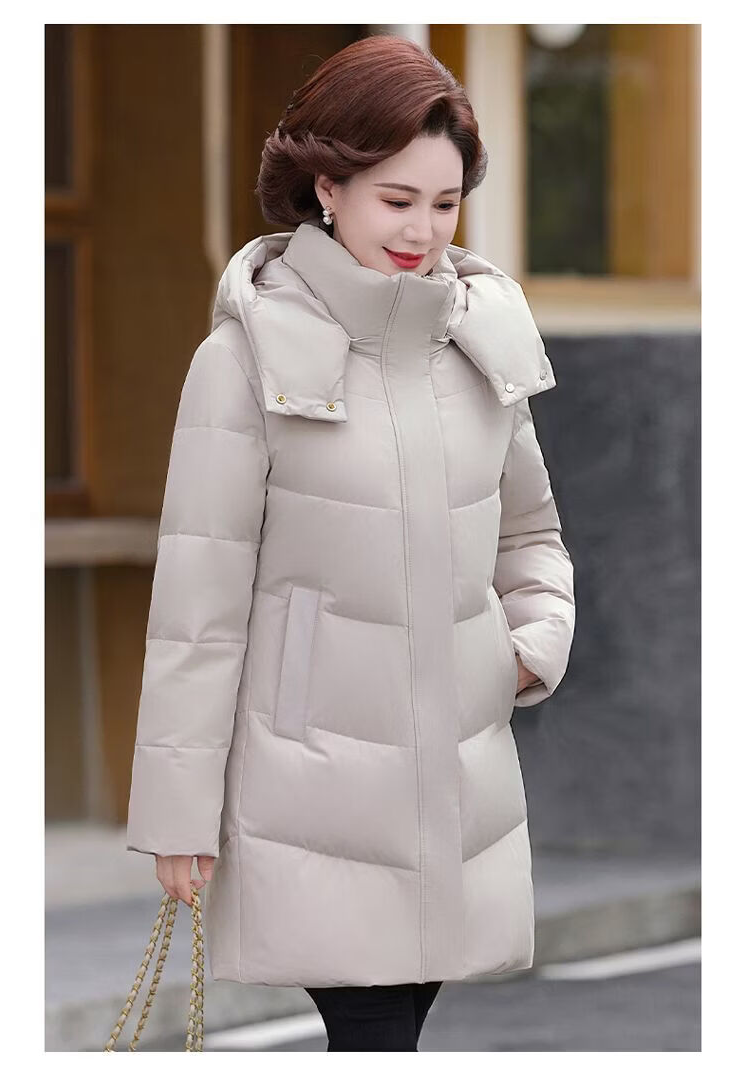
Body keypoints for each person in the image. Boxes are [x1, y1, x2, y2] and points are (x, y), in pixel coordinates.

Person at [125, 34, 576, 1052]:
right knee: (372, 1034)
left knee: (396, 1035)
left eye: (445, 203)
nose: (423, 229)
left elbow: (533, 535)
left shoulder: (482, 346)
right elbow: (198, 609)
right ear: (327, 189)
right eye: (395, 199)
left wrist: (522, 652)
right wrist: (177, 816)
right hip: (310, 788)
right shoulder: (244, 360)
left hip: (457, 786)